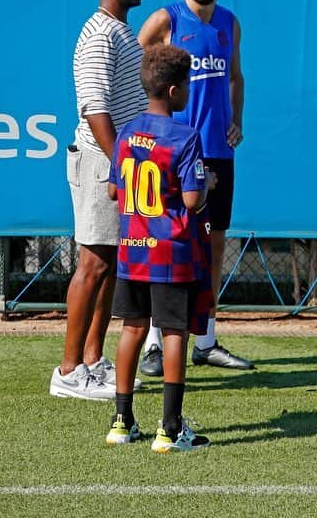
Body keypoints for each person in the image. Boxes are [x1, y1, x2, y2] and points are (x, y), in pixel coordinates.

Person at [137, 0, 253, 373]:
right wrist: (151, 126)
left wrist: (236, 119)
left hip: (218, 153)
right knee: (166, 243)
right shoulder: (167, 19)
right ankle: (153, 341)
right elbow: (139, 67)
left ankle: (205, 340)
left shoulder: (229, 24)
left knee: (212, 246)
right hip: (172, 152)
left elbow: (236, 77)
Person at [50, 0, 148, 402]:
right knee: (92, 265)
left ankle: (92, 361)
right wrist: (122, 164)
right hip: (100, 164)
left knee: (109, 265)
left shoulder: (121, 32)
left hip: (116, 165)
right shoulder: (98, 36)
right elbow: (95, 108)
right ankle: (68, 370)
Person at [104, 43, 213, 452]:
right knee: (173, 332)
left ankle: (121, 420)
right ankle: (169, 427)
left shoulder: (129, 131)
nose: (188, 91)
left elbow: (115, 190)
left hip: (132, 249)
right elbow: (190, 200)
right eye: (186, 84)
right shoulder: (185, 137)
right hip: (170, 253)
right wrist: (207, 188)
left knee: (131, 327)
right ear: (173, 91)